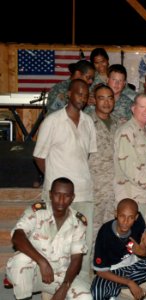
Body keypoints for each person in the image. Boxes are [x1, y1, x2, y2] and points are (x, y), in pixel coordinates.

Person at [33, 78, 97, 279]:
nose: (82, 98)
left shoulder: (88, 122)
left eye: (86, 95)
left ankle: (82, 284)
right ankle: (51, 284)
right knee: (54, 241)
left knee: (83, 243)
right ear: (69, 94)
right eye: (79, 93)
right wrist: (53, 182)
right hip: (58, 196)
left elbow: (86, 155)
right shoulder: (52, 121)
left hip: (84, 193)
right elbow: (39, 156)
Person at [6, 177, 92, 300]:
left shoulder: (78, 221)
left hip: (59, 275)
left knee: (85, 297)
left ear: (72, 197)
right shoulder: (36, 211)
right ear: (50, 194)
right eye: (57, 194)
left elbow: (76, 259)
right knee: (21, 259)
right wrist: (42, 261)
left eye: (66, 196)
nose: (61, 200)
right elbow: (17, 237)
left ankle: (51, 292)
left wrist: (64, 287)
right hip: (33, 272)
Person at [91, 198, 146, 300]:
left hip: (134, 269)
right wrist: (129, 283)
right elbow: (100, 272)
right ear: (116, 214)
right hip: (114, 272)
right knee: (96, 291)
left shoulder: (138, 223)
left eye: (131, 217)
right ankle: (113, 292)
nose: (126, 221)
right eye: (122, 216)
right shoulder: (105, 233)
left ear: (136, 217)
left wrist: (143, 252)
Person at [114, 93, 146, 241]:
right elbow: (129, 166)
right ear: (133, 108)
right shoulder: (127, 131)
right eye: (142, 107)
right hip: (132, 198)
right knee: (130, 242)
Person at [88, 84, 120, 245]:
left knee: (110, 232)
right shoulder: (86, 124)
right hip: (94, 189)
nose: (106, 102)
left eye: (110, 98)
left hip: (114, 189)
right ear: (94, 100)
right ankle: (88, 270)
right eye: (102, 98)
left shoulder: (118, 125)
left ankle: (104, 269)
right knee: (91, 232)